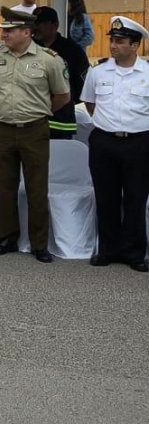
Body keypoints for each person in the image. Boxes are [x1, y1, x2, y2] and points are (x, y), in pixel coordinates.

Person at [0, 7, 71, 263]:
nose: (4, 34)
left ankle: (39, 244)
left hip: (34, 130)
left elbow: (62, 96)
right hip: (3, 129)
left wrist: (39, 112)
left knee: (36, 188)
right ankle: (7, 238)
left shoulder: (49, 59)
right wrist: (3, 107)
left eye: (10, 30)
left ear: (27, 32)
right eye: (4, 30)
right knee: (4, 187)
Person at [81, 16, 149, 272]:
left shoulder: (147, 73)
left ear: (135, 45)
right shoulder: (97, 72)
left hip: (139, 142)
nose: (113, 45)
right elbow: (89, 103)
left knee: (136, 198)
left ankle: (134, 253)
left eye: (120, 41)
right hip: (104, 141)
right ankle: (108, 250)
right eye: (112, 40)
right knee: (105, 197)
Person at [32, 7, 89, 139]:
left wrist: (63, 100)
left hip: (60, 123)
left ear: (55, 25)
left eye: (40, 23)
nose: (36, 27)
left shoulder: (72, 50)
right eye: (34, 23)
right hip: (30, 124)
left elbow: (83, 87)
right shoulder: (28, 48)